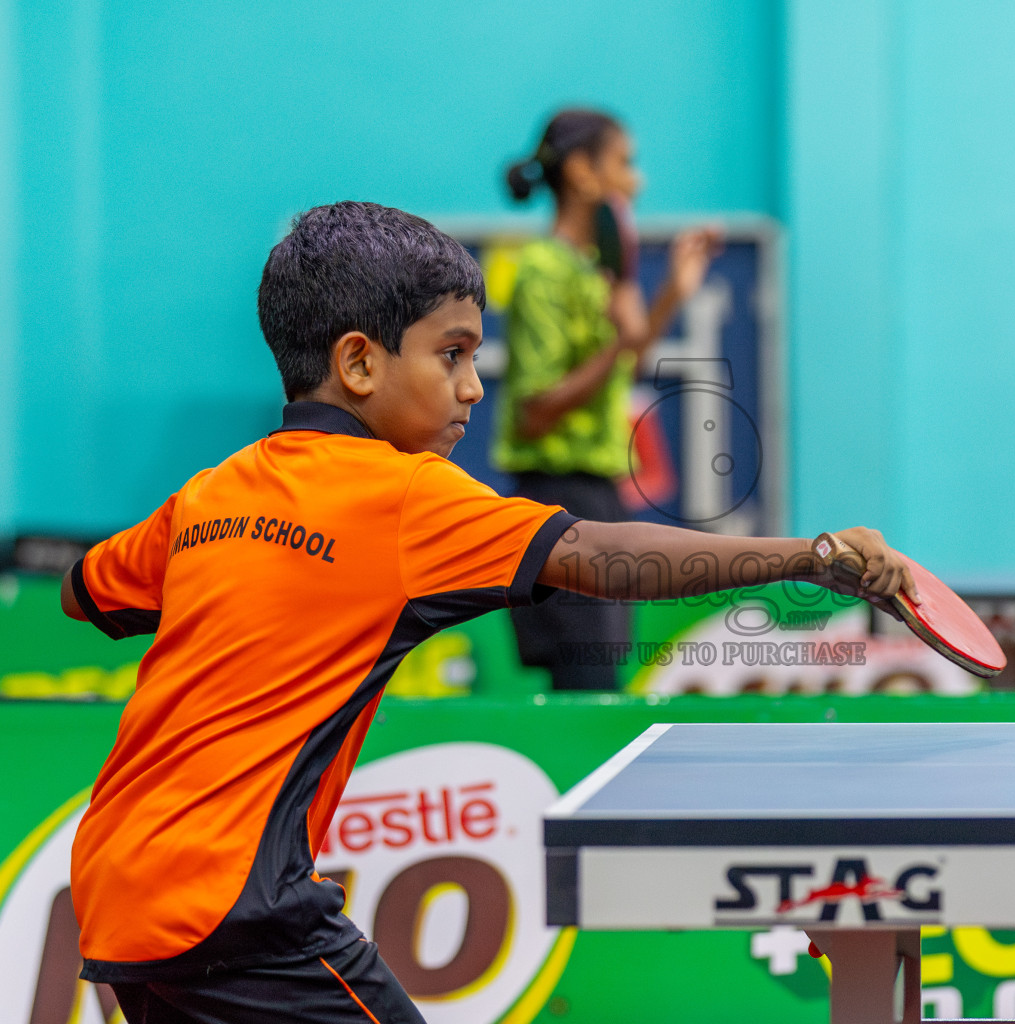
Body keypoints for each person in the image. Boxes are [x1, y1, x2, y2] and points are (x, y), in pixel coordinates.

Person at [59, 200, 915, 1022]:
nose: (473, 388)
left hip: (115, 883)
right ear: (360, 363)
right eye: (453, 354)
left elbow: (87, 591)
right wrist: (814, 557)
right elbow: (602, 559)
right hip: (234, 899)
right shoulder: (405, 496)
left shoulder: (214, 490)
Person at [495, 108, 721, 690]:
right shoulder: (542, 271)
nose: (636, 180)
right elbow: (536, 409)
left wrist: (672, 292)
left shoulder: (597, 271)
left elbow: (630, 359)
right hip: (558, 499)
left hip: (599, 493)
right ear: (580, 170)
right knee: (586, 682)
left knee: (603, 675)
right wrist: (619, 339)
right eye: (624, 162)